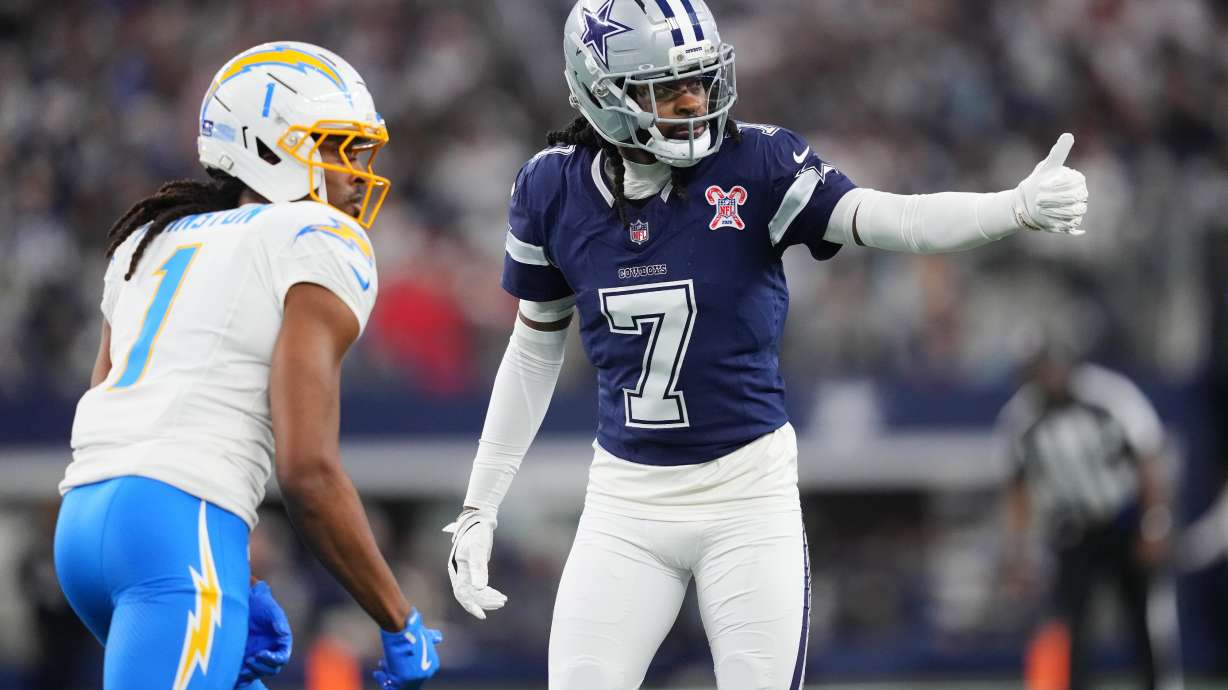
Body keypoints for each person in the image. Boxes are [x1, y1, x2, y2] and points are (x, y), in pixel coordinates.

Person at [442, 1, 1088, 688]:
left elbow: (891, 218)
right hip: (626, 501)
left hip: (746, 497)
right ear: (602, 96)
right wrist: (480, 505)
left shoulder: (757, 163)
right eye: (667, 87)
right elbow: (535, 347)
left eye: (698, 80)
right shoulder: (551, 187)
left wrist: (1012, 207)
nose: (694, 101)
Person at [54, 42, 441, 690]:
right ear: (267, 146)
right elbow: (307, 472)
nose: (355, 173)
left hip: (85, 526)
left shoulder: (149, 239)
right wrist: (399, 618)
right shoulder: (316, 238)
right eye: (337, 149)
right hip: (179, 535)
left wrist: (238, 574)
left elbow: (114, 411)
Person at [999, 346, 1183, 690]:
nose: (1047, 378)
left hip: (1125, 520)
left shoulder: (1109, 395)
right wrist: (1018, 550)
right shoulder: (1021, 415)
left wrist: (1155, 523)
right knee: (1073, 626)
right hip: (1073, 529)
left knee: (1144, 619)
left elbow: (1149, 457)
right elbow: (1018, 487)